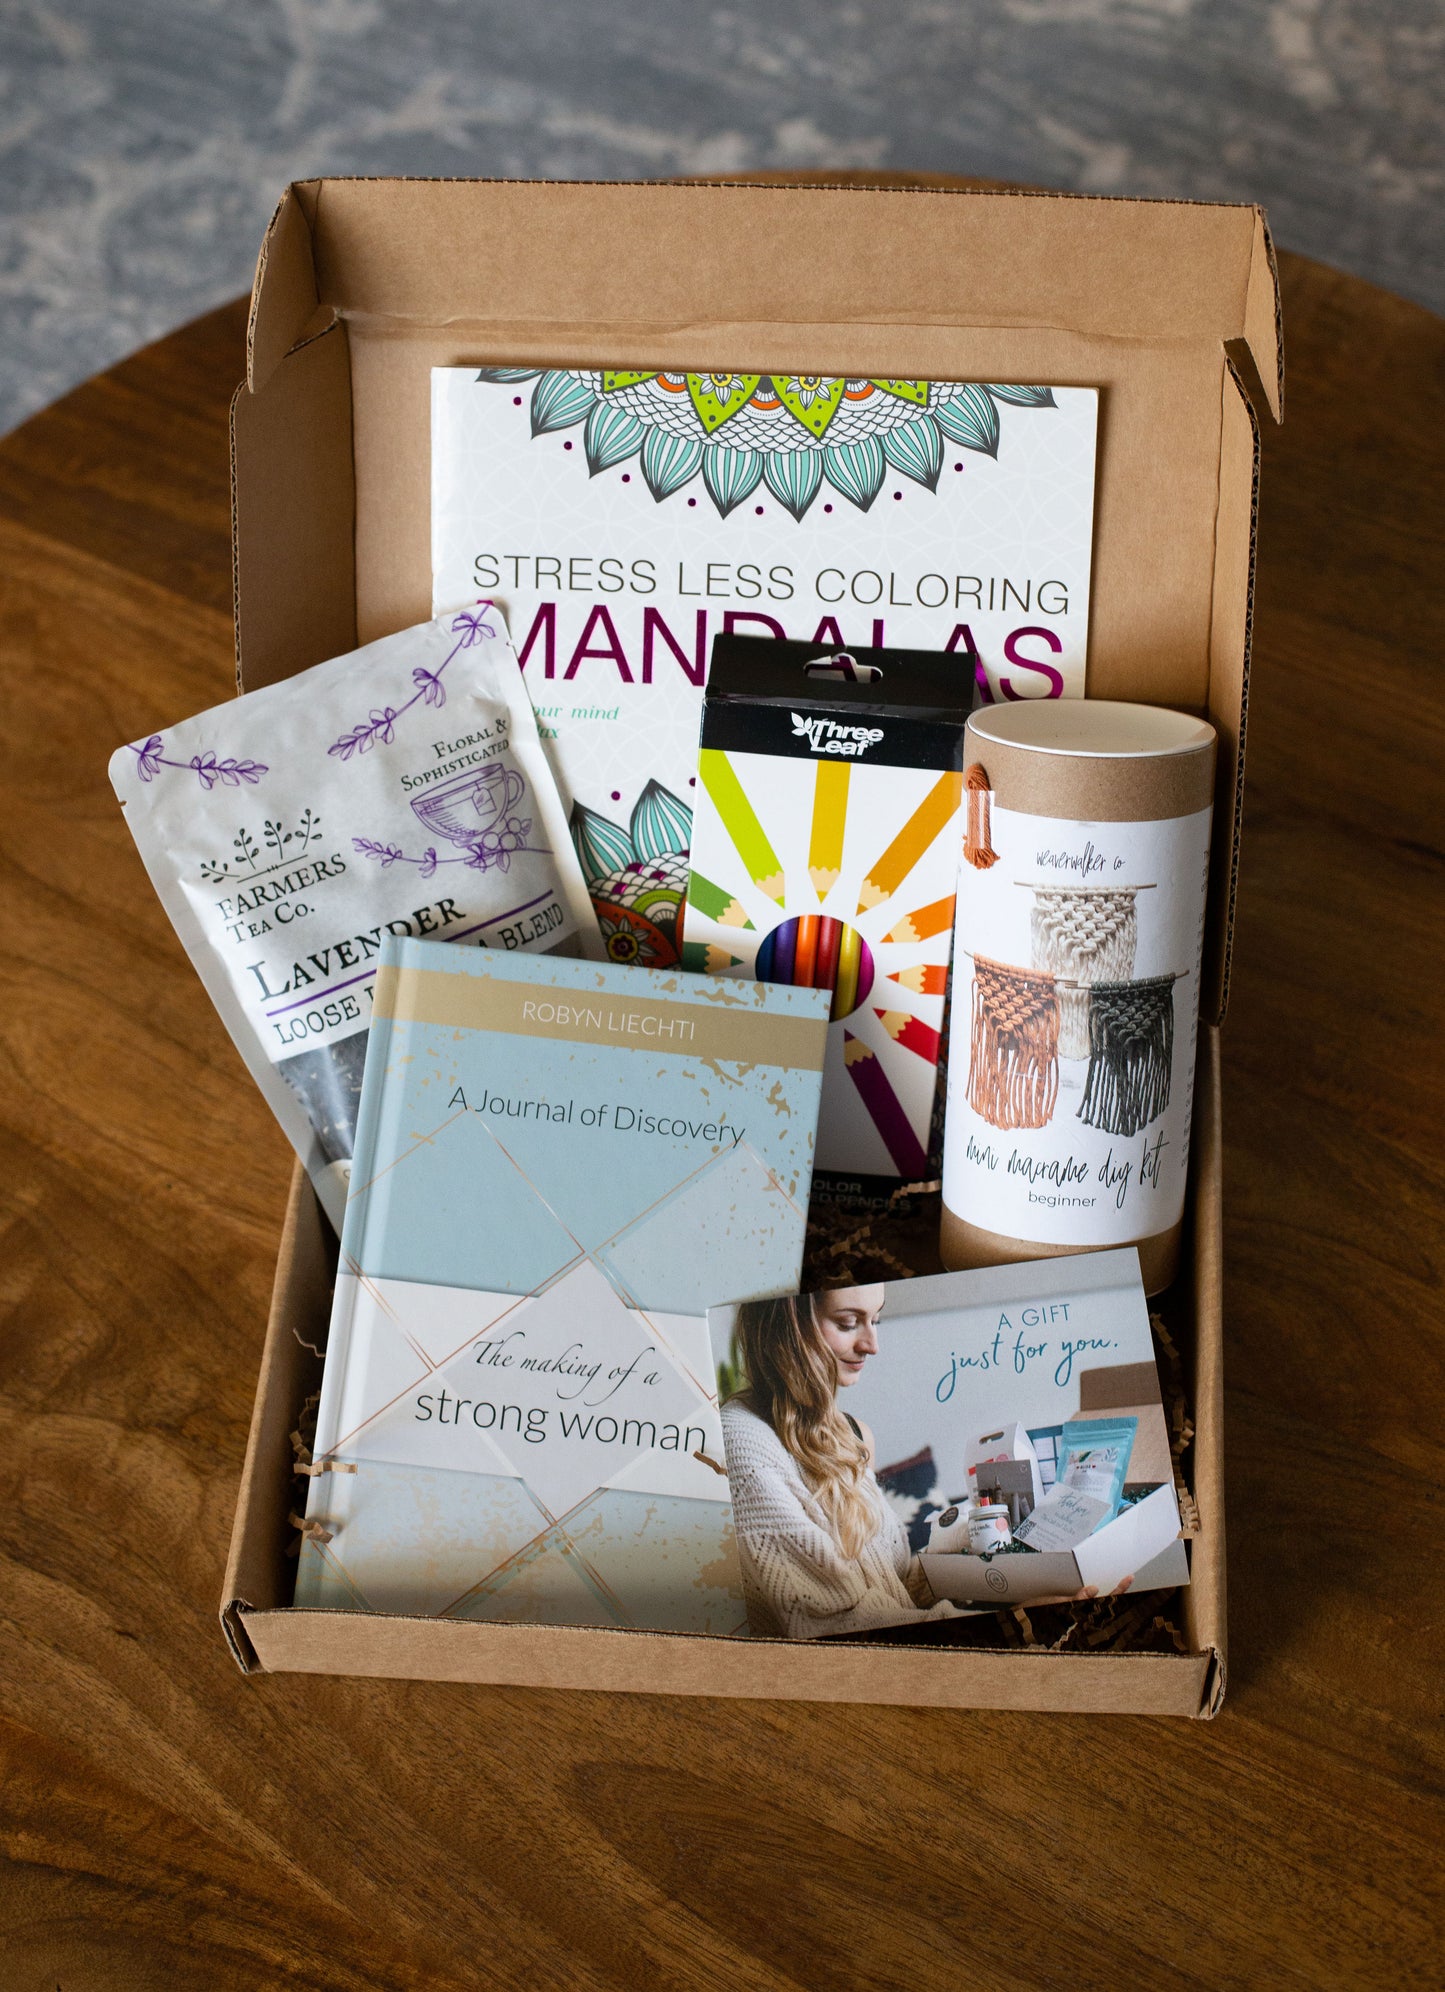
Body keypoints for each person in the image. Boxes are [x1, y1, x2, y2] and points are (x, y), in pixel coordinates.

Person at [720, 1284, 964, 1641]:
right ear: (789, 1324)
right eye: (848, 1323)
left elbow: (890, 1584)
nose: (872, 1345)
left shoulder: (852, 1434)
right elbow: (839, 1622)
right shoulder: (741, 1444)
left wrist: (970, 1555)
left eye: (876, 1320)